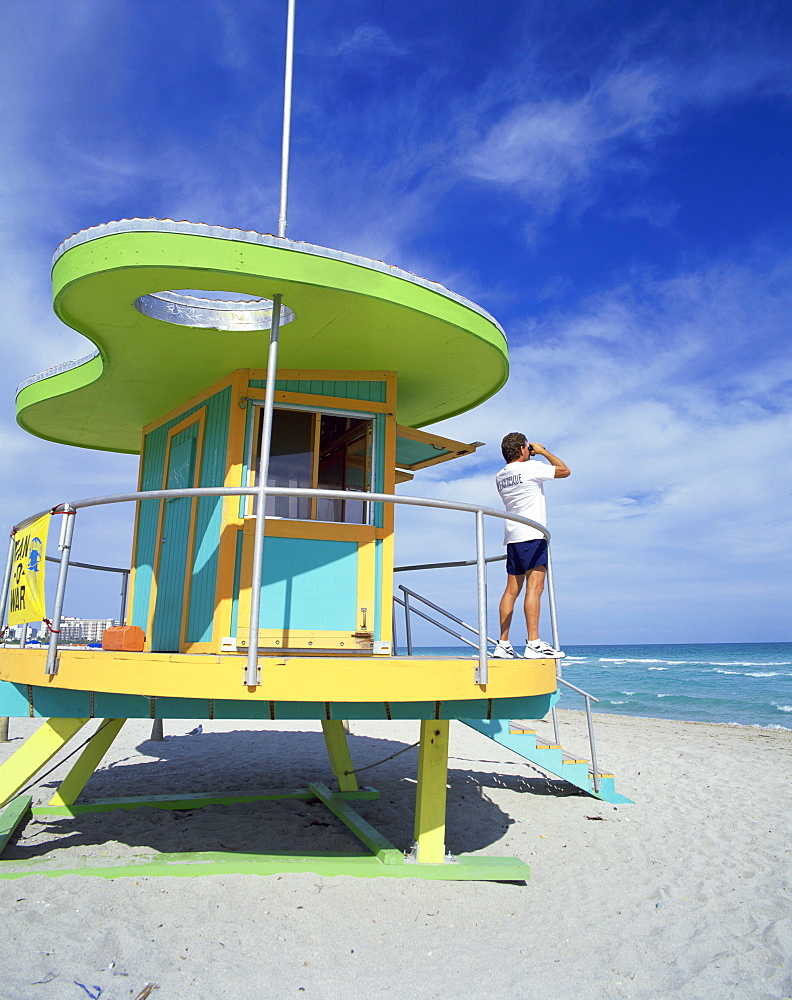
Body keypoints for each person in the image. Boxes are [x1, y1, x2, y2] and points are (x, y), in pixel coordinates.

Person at [492, 433, 570, 659]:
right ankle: (534, 643)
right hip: (532, 534)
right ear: (521, 448)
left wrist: (529, 452)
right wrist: (543, 451)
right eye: (527, 447)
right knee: (535, 588)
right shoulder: (531, 468)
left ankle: (503, 643)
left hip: (513, 535)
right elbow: (565, 471)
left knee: (511, 590)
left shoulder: (500, 476)